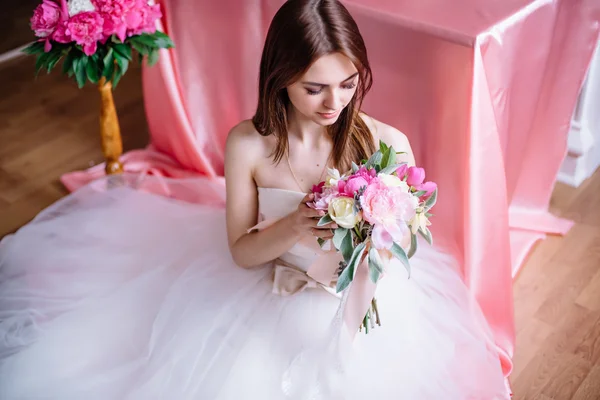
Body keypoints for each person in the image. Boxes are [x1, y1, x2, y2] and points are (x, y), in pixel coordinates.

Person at [0, 0, 510, 398]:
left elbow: (411, 245)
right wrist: (294, 227)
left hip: (361, 296)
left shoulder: (386, 143)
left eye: (348, 84)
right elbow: (241, 253)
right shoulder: (248, 144)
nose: (335, 103)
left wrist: (373, 240)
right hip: (267, 283)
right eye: (314, 89)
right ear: (280, 78)